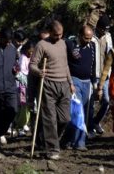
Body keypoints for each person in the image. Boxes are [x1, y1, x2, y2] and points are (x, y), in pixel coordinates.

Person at [29, 20, 75, 160]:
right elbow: (32, 65)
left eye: (61, 34)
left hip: (64, 84)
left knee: (65, 119)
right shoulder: (42, 45)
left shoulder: (63, 43)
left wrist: (71, 82)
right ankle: (52, 149)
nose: (59, 37)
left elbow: (65, 64)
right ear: (50, 32)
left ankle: (46, 140)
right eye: (56, 35)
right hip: (48, 84)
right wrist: (39, 72)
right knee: (50, 119)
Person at [64, 25, 98, 151]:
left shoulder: (92, 46)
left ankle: (67, 140)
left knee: (83, 111)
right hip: (75, 80)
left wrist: (94, 83)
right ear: (79, 35)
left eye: (90, 38)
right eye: (86, 38)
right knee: (78, 112)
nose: (88, 40)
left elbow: (93, 65)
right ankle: (80, 142)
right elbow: (65, 43)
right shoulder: (70, 44)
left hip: (87, 82)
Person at [91, 15, 113, 135]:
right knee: (92, 101)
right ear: (98, 27)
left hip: (105, 74)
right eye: (103, 29)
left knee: (106, 100)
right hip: (93, 74)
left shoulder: (108, 37)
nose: (105, 31)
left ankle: (96, 121)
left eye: (107, 29)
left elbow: (110, 56)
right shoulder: (91, 37)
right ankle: (89, 125)